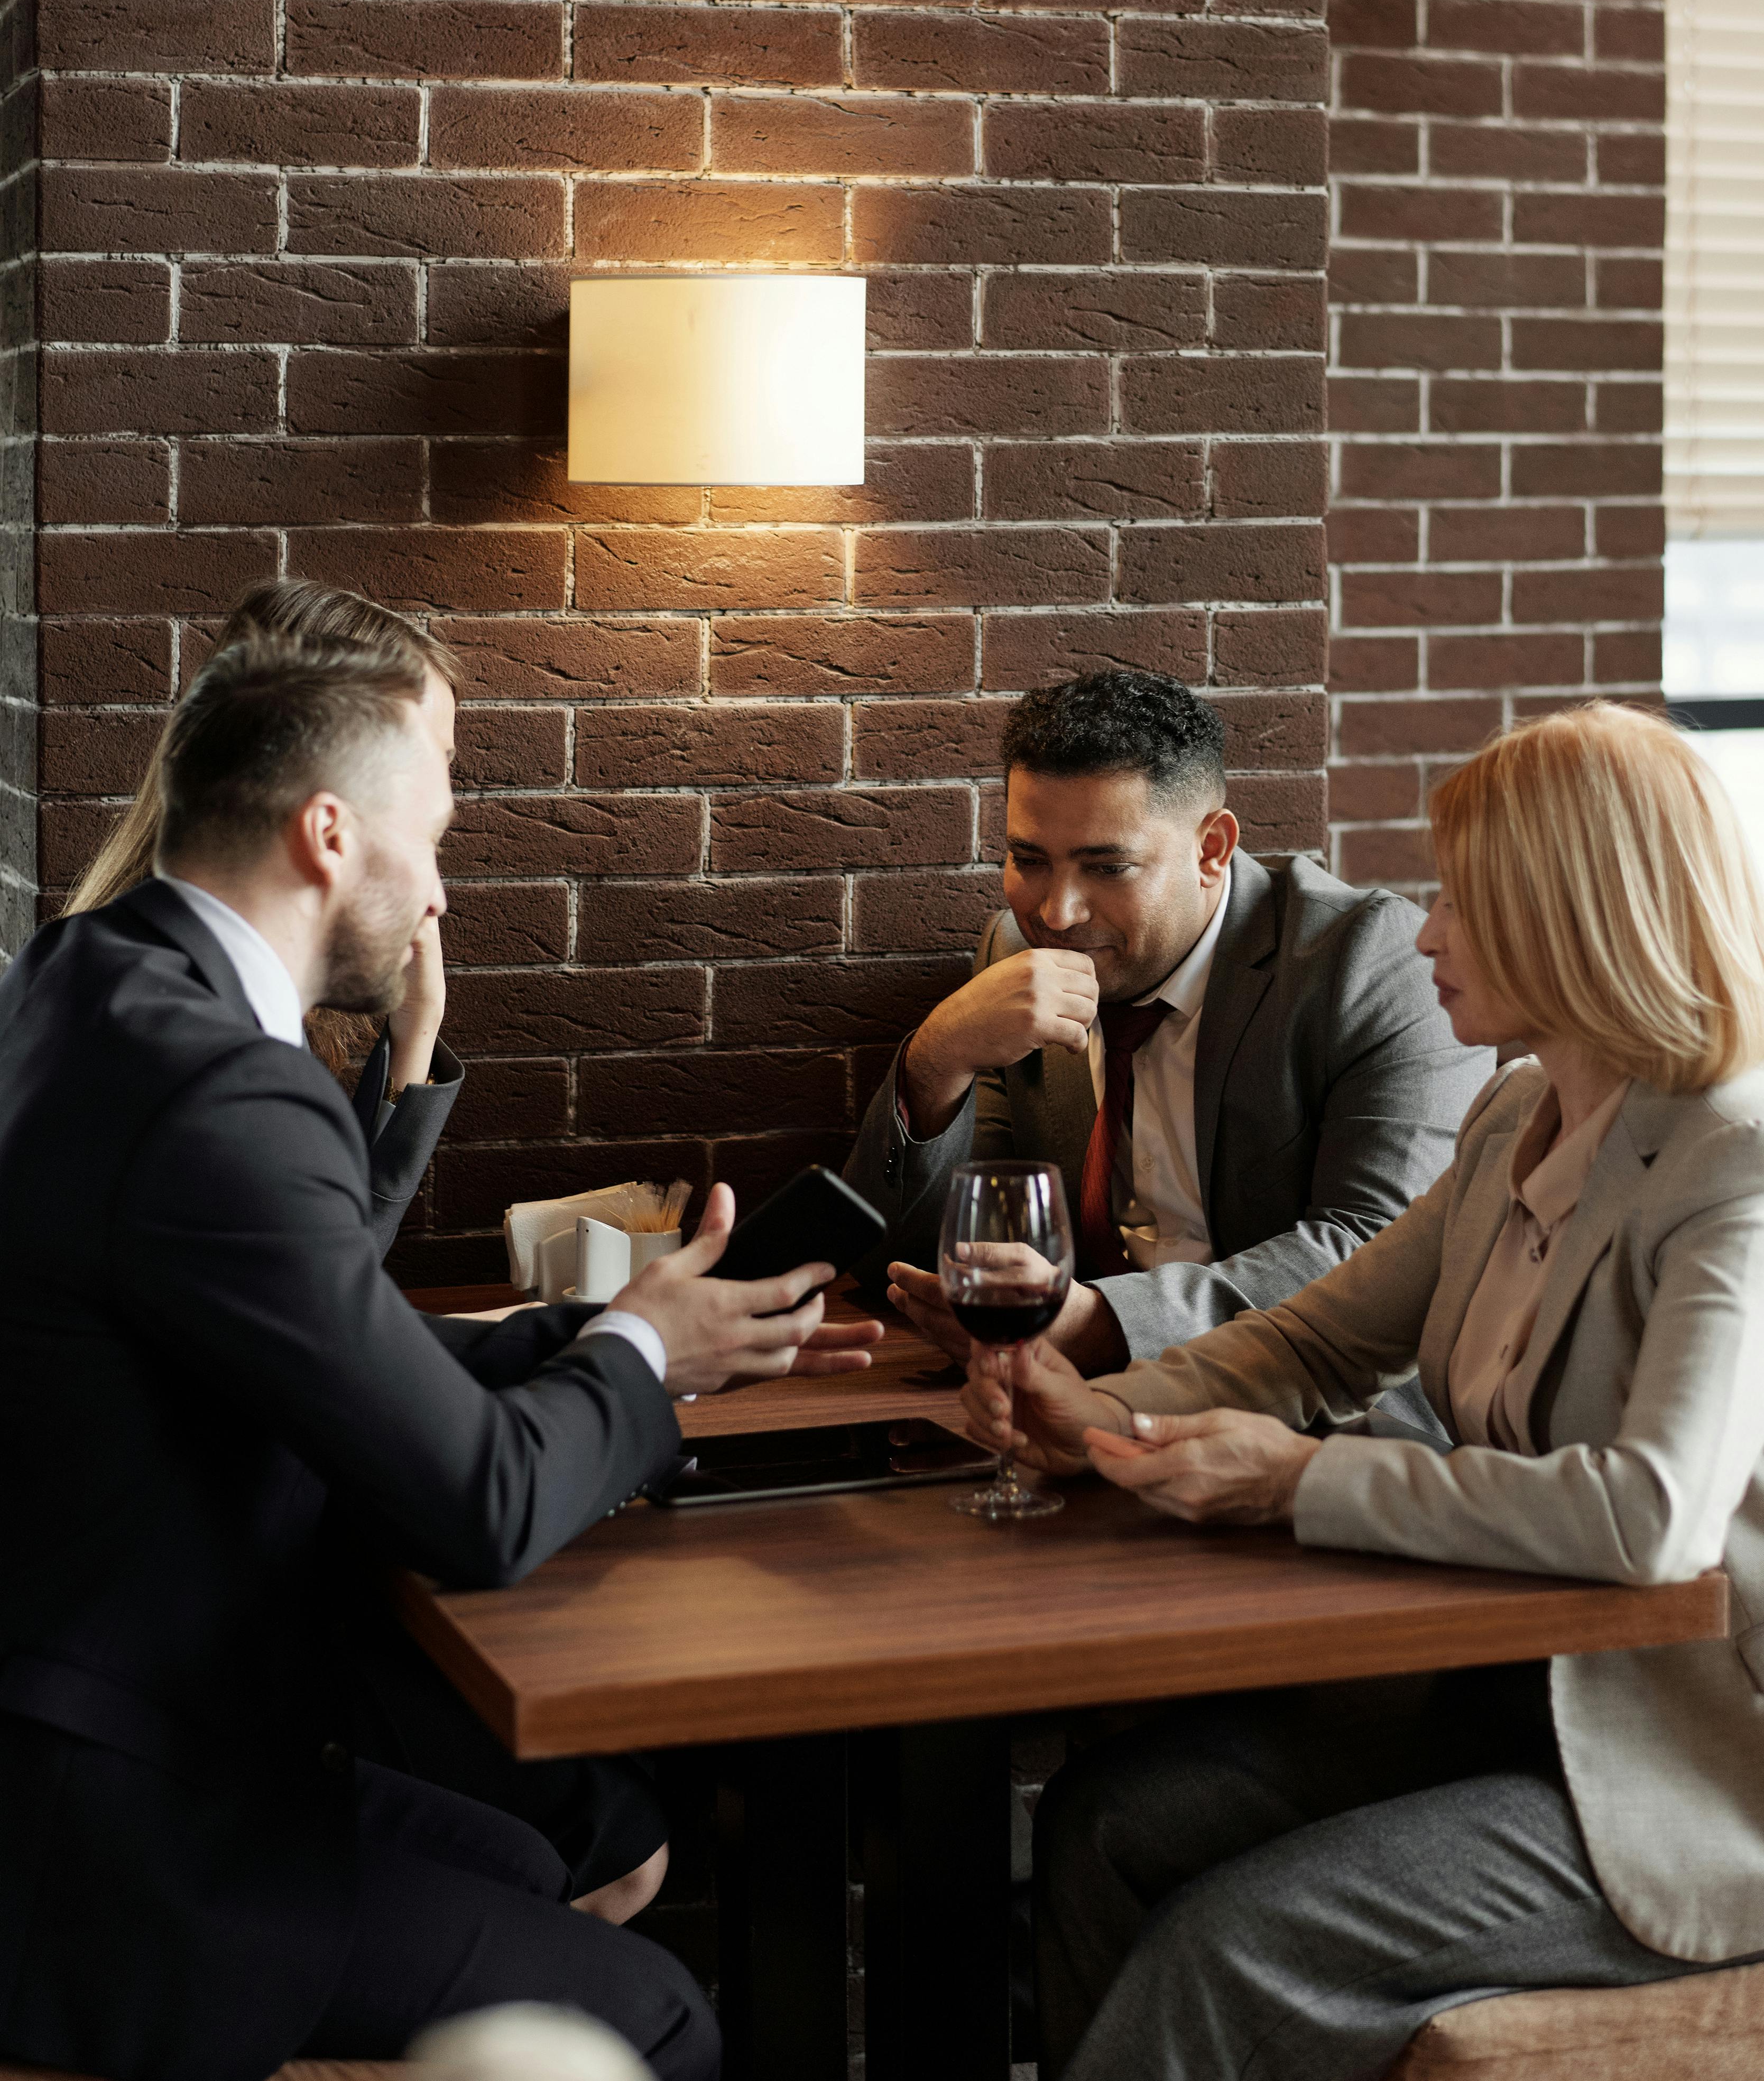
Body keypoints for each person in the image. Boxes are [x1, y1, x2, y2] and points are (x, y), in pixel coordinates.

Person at [0, 630, 863, 2081]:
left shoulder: (84, 980)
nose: (446, 884)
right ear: (328, 834)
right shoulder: (221, 1088)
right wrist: (643, 1353)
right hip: (111, 1842)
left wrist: (607, 1335)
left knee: (546, 1861)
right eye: (438, 827)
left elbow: (316, 1340)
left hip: (110, 1736)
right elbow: (478, 1510)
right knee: (657, 2016)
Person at [957, 700, 1764, 2081]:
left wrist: (1298, 1480)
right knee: (1101, 1830)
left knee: (1225, 1940)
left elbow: (1653, 1521)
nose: (1428, 933)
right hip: (1508, 1704)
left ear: (1569, 916)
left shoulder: (1732, 1167)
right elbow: (1315, 1341)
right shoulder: (1517, 1113)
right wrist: (1104, 1409)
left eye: (1462, 898)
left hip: (1688, 1769)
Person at [847, 670, 1489, 1431]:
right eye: (1029, 860)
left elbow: (1370, 1257)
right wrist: (937, 1058)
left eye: (1106, 867)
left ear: (1211, 849)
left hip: (1326, 1435)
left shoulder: (1367, 963)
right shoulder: (1015, 954)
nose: (1056, 911)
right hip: (1074, 1417)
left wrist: (1099, 1322)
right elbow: (938, 1242)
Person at [68, 577, 465, 1260]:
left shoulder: (112, 951)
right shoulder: (202, 1051)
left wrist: (415, 1032)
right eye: (424, 761)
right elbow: (328, 1292)